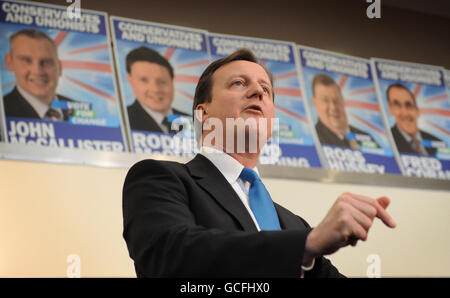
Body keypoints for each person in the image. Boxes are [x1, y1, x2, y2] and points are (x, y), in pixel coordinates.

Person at [122, 49, 396, 278]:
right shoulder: (159, 178)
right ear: (203, 114)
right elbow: (172, 256)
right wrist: (305, 244)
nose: (258, 91)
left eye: (265, 88)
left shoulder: (292, 223)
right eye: (239, 83)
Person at [3, 28, 75, 121]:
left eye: (46, 62)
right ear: (10, 63)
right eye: (27, 60)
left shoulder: (80, 111)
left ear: (59, 68)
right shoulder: (3, 110)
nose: (37, 71)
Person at [126, 46, 188, 134]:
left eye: (162, 81)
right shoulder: (124, 120)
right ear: (130, 80)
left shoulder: (191, 122)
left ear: (172, 82)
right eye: (144, 80)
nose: (155, 89)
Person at [312, 73, 379, 149]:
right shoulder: (314, 138)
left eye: (336, 100)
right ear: (315, 103)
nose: (333, 107)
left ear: (343, 101)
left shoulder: (366, 137)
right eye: (325, 100)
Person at [387, 83, 443, 156]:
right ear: (390, 109)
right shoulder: (387, 140)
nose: (405, 113)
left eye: (408, 105)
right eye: (397, 105)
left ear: (417, 110)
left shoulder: (437, 142)